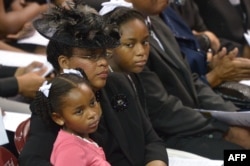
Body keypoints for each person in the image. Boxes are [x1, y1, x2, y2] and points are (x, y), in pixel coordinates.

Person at [19, 4, 168, 166]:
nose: (104, 62)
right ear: (64, 62)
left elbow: (152, 140)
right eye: (91, 57)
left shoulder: (119, 83)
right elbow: (31, 160)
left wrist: (156, 163)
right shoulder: (52, 103)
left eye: (104, 55)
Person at [99, 0, 250, 159]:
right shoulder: (122, 61)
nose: (141, 51)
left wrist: (234, 116)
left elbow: (192, 80)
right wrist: (223, 129)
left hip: (194, 126)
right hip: (173, 135)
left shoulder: (158, 23)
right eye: (131, 44)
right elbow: (161, 111)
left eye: (145, 42)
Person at [34, 69, 110, 166]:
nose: (92, 114)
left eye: (92, 103)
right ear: (58, 118)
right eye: (79, 111)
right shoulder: (70, 150)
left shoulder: (82, 138)